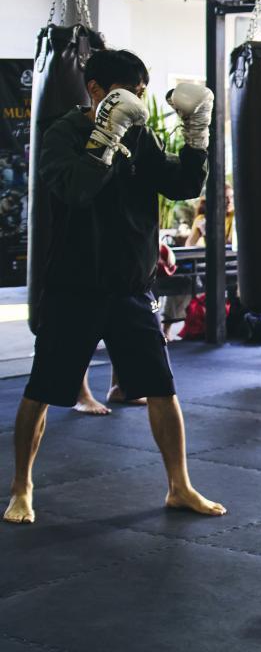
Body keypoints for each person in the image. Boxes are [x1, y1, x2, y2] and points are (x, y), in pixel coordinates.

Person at [4, 49, 225, 525]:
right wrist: (106, 137)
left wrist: (196, 136)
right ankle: (22, 487)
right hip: (74, 285)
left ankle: (179, 486)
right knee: (41, 389)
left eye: (142, 93)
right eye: (128, 93)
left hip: (130, 286)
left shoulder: (141, 136)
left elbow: (183, 185)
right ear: (96, 90)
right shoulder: (61, 134)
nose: (138, 103)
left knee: (161, 388)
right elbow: (77, 190)